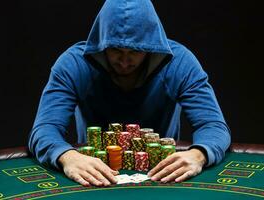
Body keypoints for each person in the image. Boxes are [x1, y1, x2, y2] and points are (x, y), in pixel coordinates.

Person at [28, 0, 231, 187]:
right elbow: (45, 129)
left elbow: (213, 125)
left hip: (160, 177)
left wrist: (198, 154)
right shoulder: (73, 64)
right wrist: (68, 157)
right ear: (101, 43)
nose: (124, 62)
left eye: (135, 51)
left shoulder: (180, 63)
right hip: (94, 177)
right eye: (115, 50)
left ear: (152, 47)